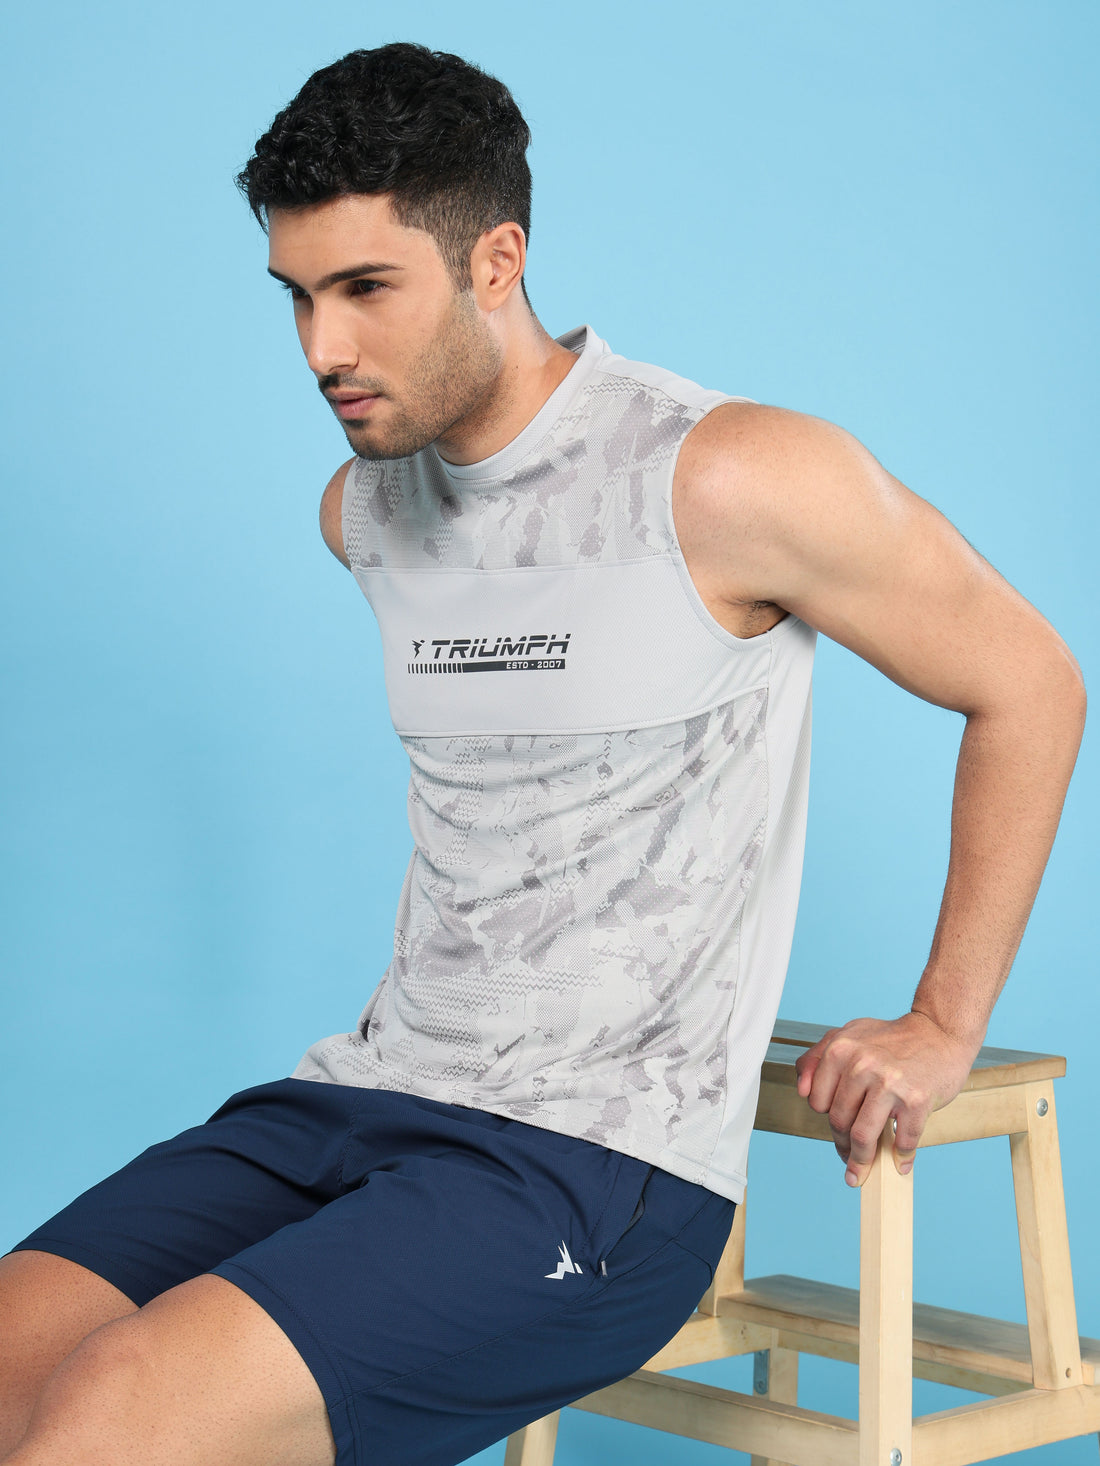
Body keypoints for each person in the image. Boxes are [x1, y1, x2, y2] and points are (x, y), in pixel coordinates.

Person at [0, 38, 1085, 1466]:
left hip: (594, 1158)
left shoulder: (729, 475)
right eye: (299, 296)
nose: (322, 348)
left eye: (366, 288)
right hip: (360, 1096)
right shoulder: (364, 512)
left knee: (117, 1411)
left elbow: (1031, 684)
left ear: (496, 261)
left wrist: (943, 1021)